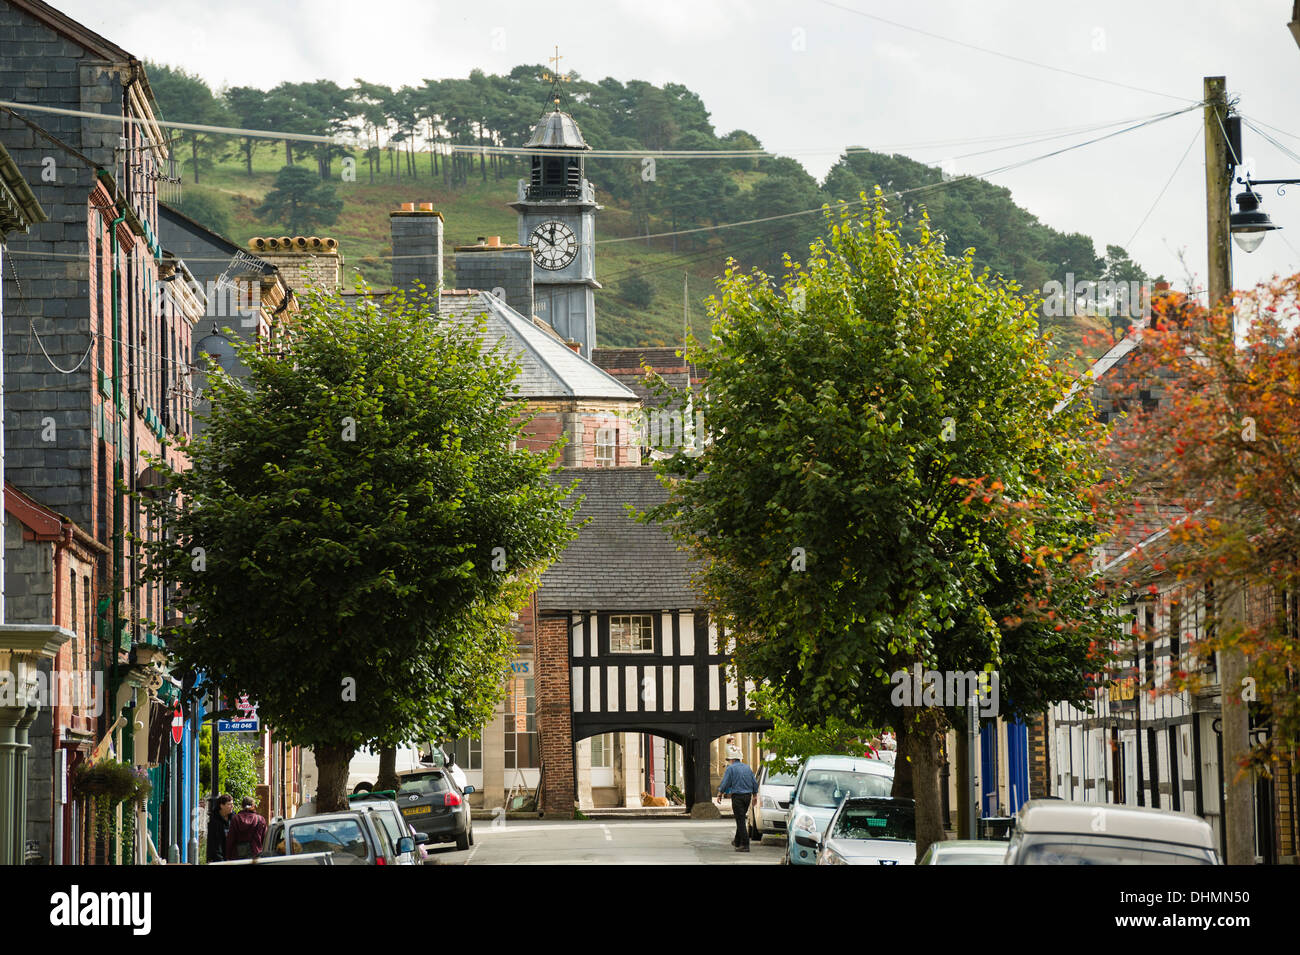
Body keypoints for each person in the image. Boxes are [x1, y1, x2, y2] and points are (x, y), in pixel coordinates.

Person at [716, 745, 759, 853]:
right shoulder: (747, 767)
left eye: (729, 759)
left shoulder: (730, 768)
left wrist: (720, 793)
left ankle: (745, 845)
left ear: (732, 759)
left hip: (738, 797)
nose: (728, 761)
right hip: (747, 796)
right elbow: (754, 782)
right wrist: (755, 795)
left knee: (740, 821)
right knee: (741, 818)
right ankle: (737, 840)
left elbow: (726, 782)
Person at [226, 796, 268, 860]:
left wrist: (228, 857)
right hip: (256, 856)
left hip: (237, 856)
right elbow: (265, 840)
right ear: (253, 806)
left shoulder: (235, 819)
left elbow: (230, 840)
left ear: (242, 806)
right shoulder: (260, 819)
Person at [205, 794, 234, 863]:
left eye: (232, 804)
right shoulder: (214, 821)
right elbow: (214, 843)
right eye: (229, 804)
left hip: (231, 857)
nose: (232, 806)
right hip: (218, 858)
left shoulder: (233, 818)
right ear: (221, 805)